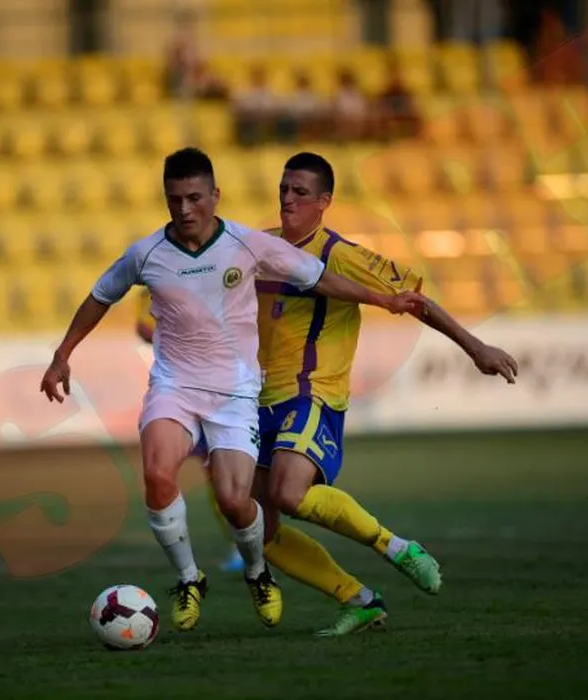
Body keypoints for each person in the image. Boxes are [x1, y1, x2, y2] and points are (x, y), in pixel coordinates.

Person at [132, 152, 518, 636]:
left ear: (324, 201)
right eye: (283, 190)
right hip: (250, 401)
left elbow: (414, 300)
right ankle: (358, 599)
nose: (287, 199)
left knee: (288, 492)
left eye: (300, 192)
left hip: (311, 394)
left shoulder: (340, 256)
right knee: (255, 525)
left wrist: (476, 347)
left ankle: (396, 547)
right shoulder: (252, 247)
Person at [39, 147, 422, 633]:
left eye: (194, 198)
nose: (184, 209)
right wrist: (63, 354)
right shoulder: (146, 254)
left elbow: (320, 279)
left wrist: (384, 299)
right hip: (175, 386)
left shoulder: (247, 244)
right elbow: (100, 296)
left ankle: (258, 573)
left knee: (235, 502)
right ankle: (188, 579)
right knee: (157, 474)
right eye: (174, 199)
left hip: (236, 394)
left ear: (215, 195)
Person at [135, 288, 244, 573]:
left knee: (236, 471)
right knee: (214, 474)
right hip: (186, 390)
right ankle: (239, 544)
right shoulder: (154, 283)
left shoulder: (221, 277)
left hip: (227, 387)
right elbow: (142, 327)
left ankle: (255, 539)